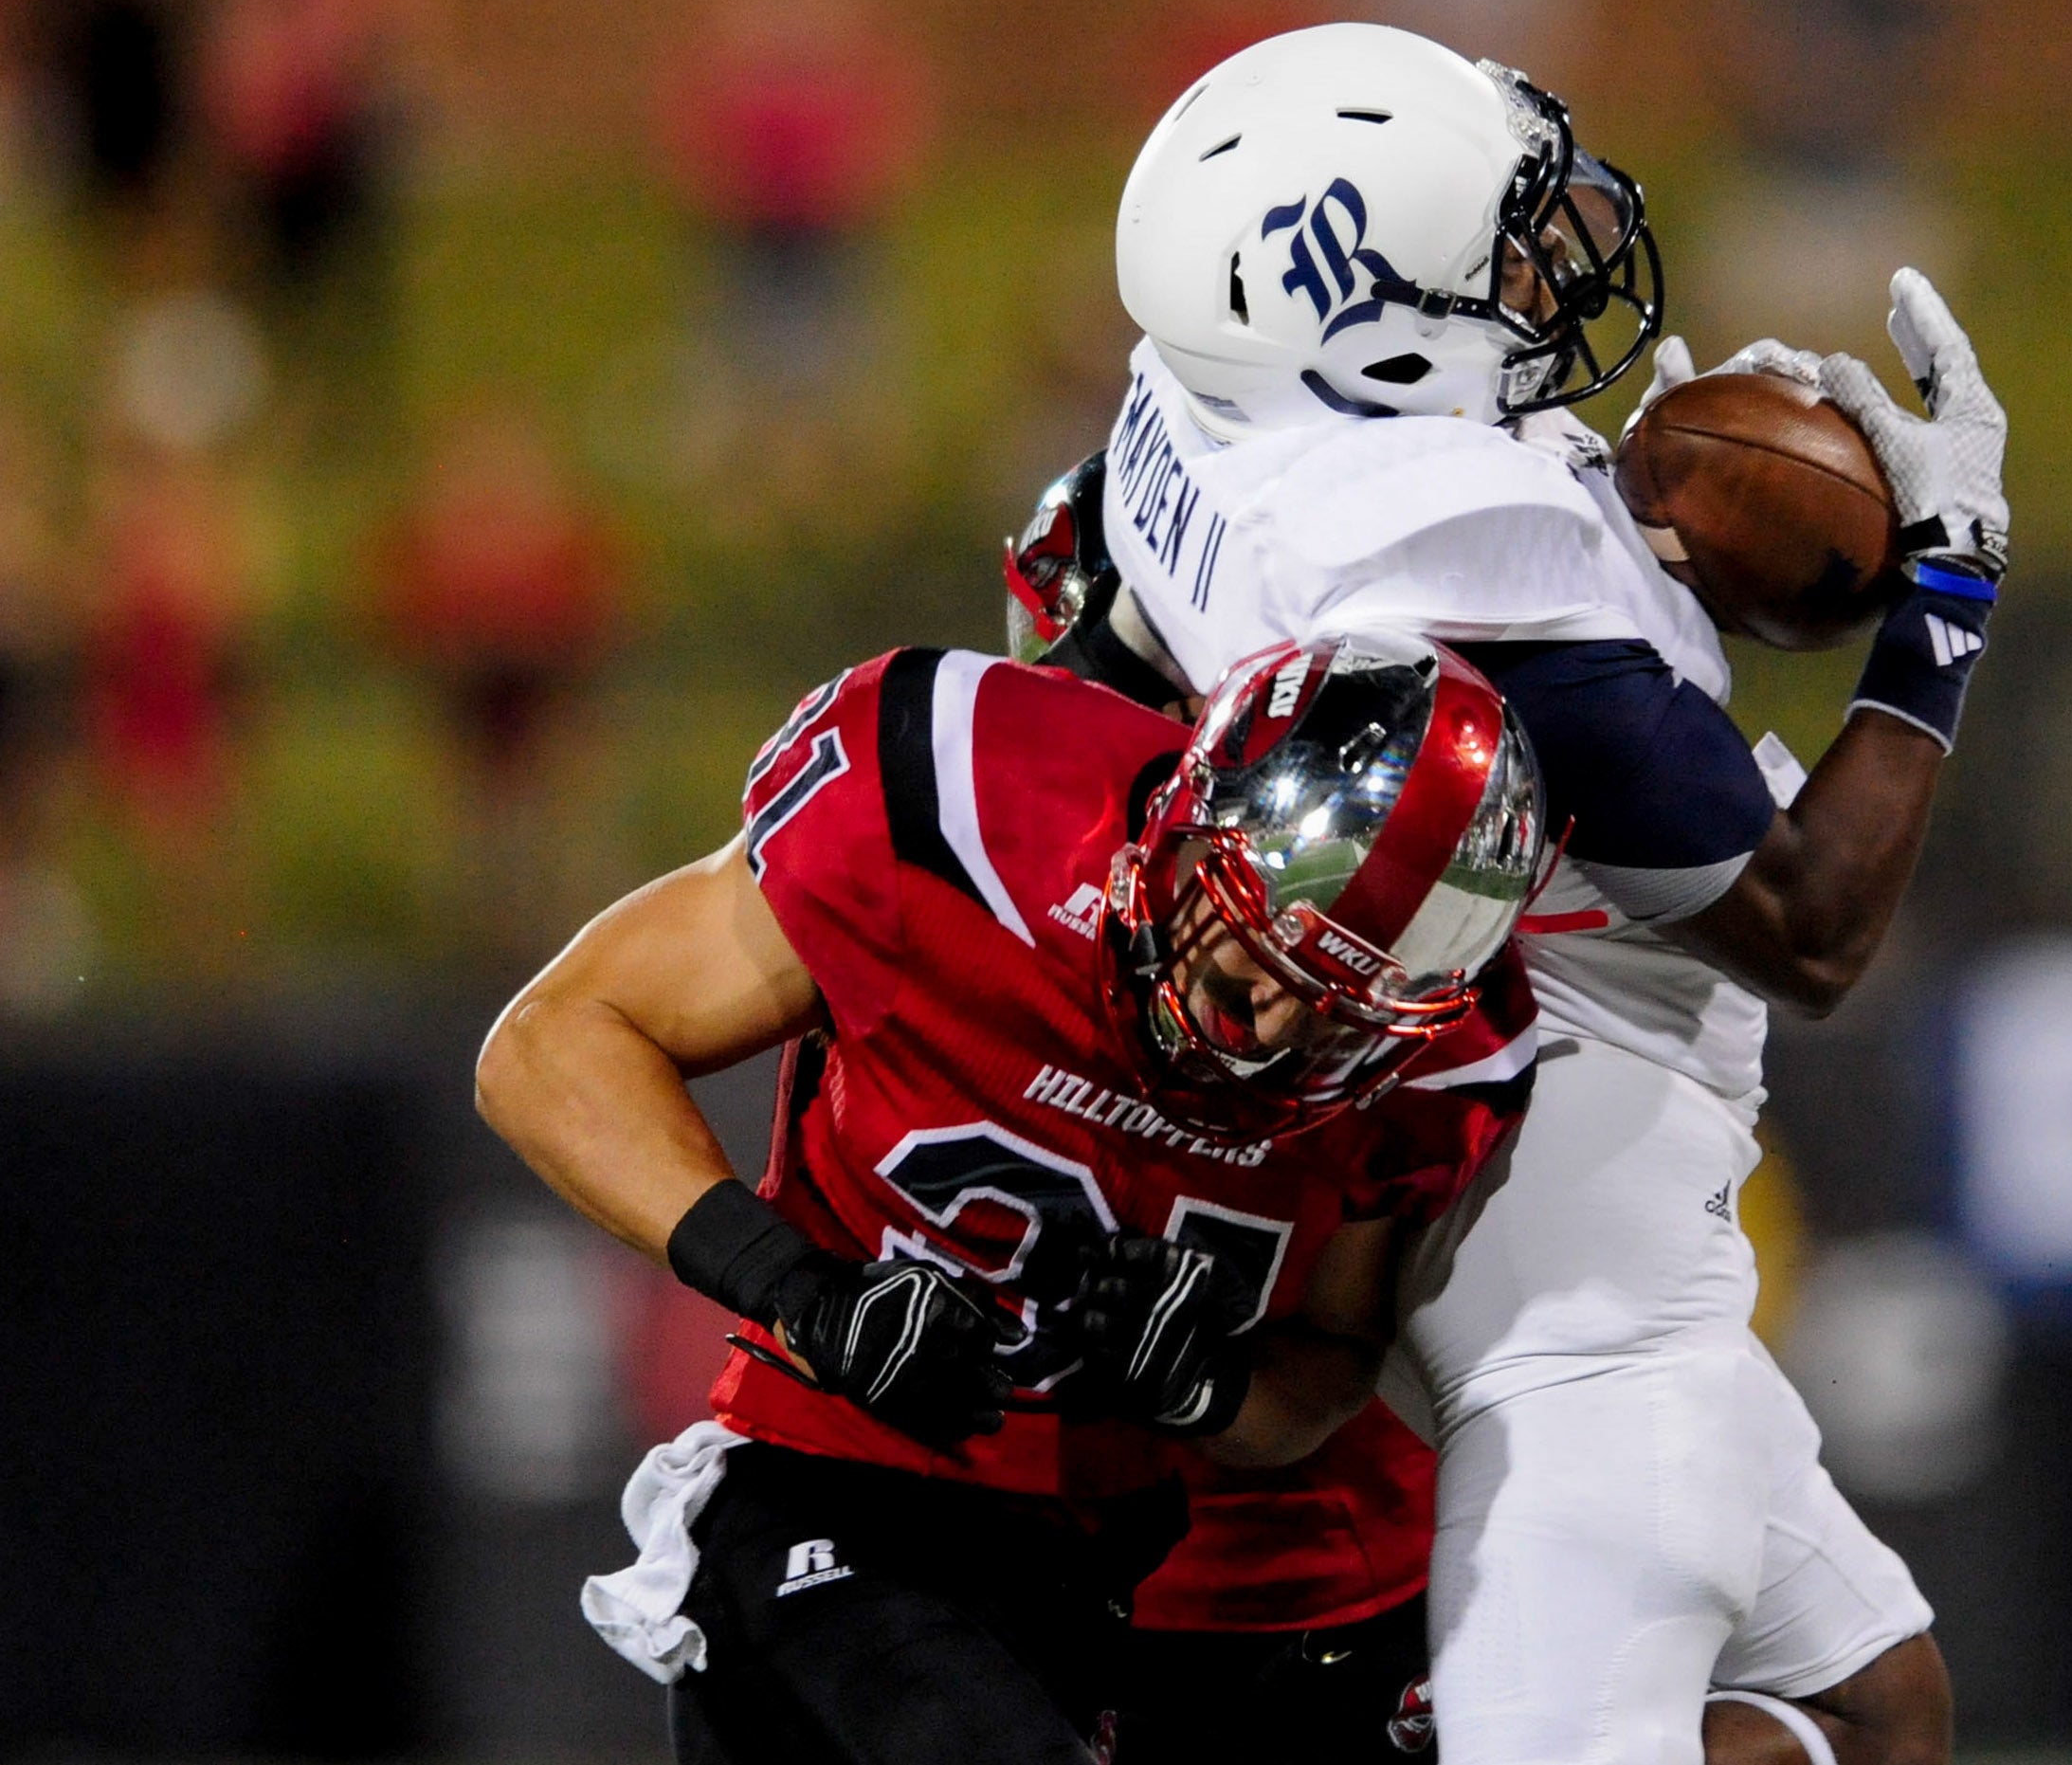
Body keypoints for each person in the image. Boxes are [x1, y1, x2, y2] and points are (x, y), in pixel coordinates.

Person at [1015, 22, 2005, 1765]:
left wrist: (1629, 504)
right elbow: (1817, 929)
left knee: (1877, 1700)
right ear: (1366, 317)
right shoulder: (1479, 578)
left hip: (1380, 1199)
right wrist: (1945, 597)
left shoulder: (1190, 405)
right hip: (1570, 1317)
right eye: (1501, 250)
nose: (1549, 267)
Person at [476, 630, 1552, 1763]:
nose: (1275, 1031)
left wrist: (1209, 1380)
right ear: (1189, 825)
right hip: (832, 1484)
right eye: (1256, 962)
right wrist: (803, 1289)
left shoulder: (1444, 1068)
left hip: (1083, 1569)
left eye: (1340, 1015)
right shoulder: (969, 798)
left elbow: (1330, 1358)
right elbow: (551, 1044)